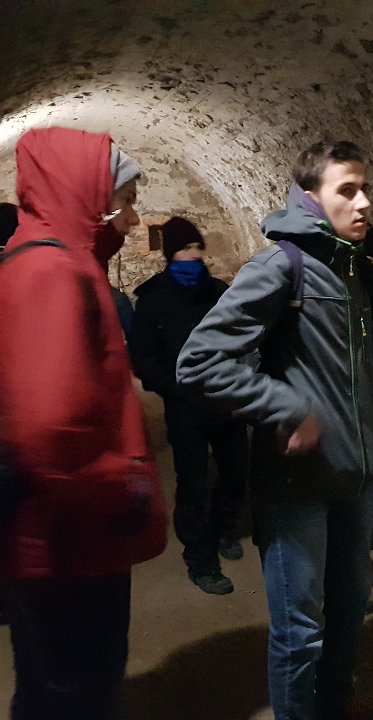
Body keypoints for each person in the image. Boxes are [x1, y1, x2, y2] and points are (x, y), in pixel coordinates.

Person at [176, 141, 373, 720]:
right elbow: (199, 362)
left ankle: (335, 706)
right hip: (298, 484)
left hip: (353, 476)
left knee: (349, 607)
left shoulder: (356, 268)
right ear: (310, 197)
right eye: (347, 190)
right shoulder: (281, 265)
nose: (364, 202)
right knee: (300, 629)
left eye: (365, 189)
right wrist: (285, 407)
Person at [0, 126, 167, 720]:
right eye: (125, 200)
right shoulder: (51, 274)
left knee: (59, 683)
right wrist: (122, 484)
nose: (133, 217)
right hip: (66, 540)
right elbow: (45, 430)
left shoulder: (56, 262)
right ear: (89, 197)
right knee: (72, 690)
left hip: (63, 536)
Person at [130, 216, 249, 595]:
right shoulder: (154, 301)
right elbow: (145, 359)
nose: (194, 254)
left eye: (198, 246)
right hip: (186, 409)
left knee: (235, 473)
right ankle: (201, 560)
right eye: (186, 248)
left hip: (225, 401)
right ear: (171, 254)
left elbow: (242, 336)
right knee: (193, 484)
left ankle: (224, 529)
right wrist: (176, 388)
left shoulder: (219, 293)